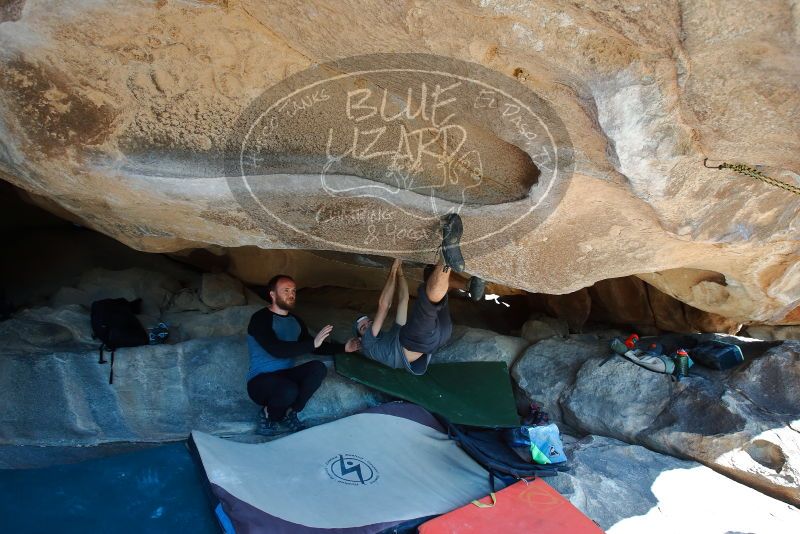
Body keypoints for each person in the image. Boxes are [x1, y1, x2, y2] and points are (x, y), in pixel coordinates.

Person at [353, 213, 485, 375]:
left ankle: (468, 285)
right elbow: (384, 305)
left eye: (366, 322)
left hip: (439, 336)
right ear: (360, 337)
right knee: (428, 298)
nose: (366, 326)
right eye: (362, 327)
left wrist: (400, 272)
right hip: (417, 342)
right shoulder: (367, 345)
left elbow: (403, 300)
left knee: (431, 275)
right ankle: (446, 255)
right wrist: (392, 270)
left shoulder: (391, 339)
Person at [247, 274, 360, 436]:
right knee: (288, 390)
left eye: (293, 290)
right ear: (272, 294)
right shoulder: (260, 318)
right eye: (285, 290)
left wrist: (344, 348)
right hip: (260, 382)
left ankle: (290, 413)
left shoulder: (296, 321)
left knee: (318, 368)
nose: (291, 294)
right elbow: (276, 349)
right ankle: (268, 414)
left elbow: (314, 347)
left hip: (284, 377)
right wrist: (312, 343)